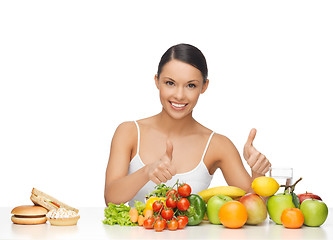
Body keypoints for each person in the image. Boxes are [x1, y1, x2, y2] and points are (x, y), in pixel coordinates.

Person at [104, 43, 271, 207]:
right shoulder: (129, 132)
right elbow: (111, 198)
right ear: (157, 81)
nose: (179, 95)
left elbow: (255, 210)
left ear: (204, 86)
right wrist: (146, 171)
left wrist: (258, 173)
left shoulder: (218, 145)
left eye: (191, 85)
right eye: (170, 83)